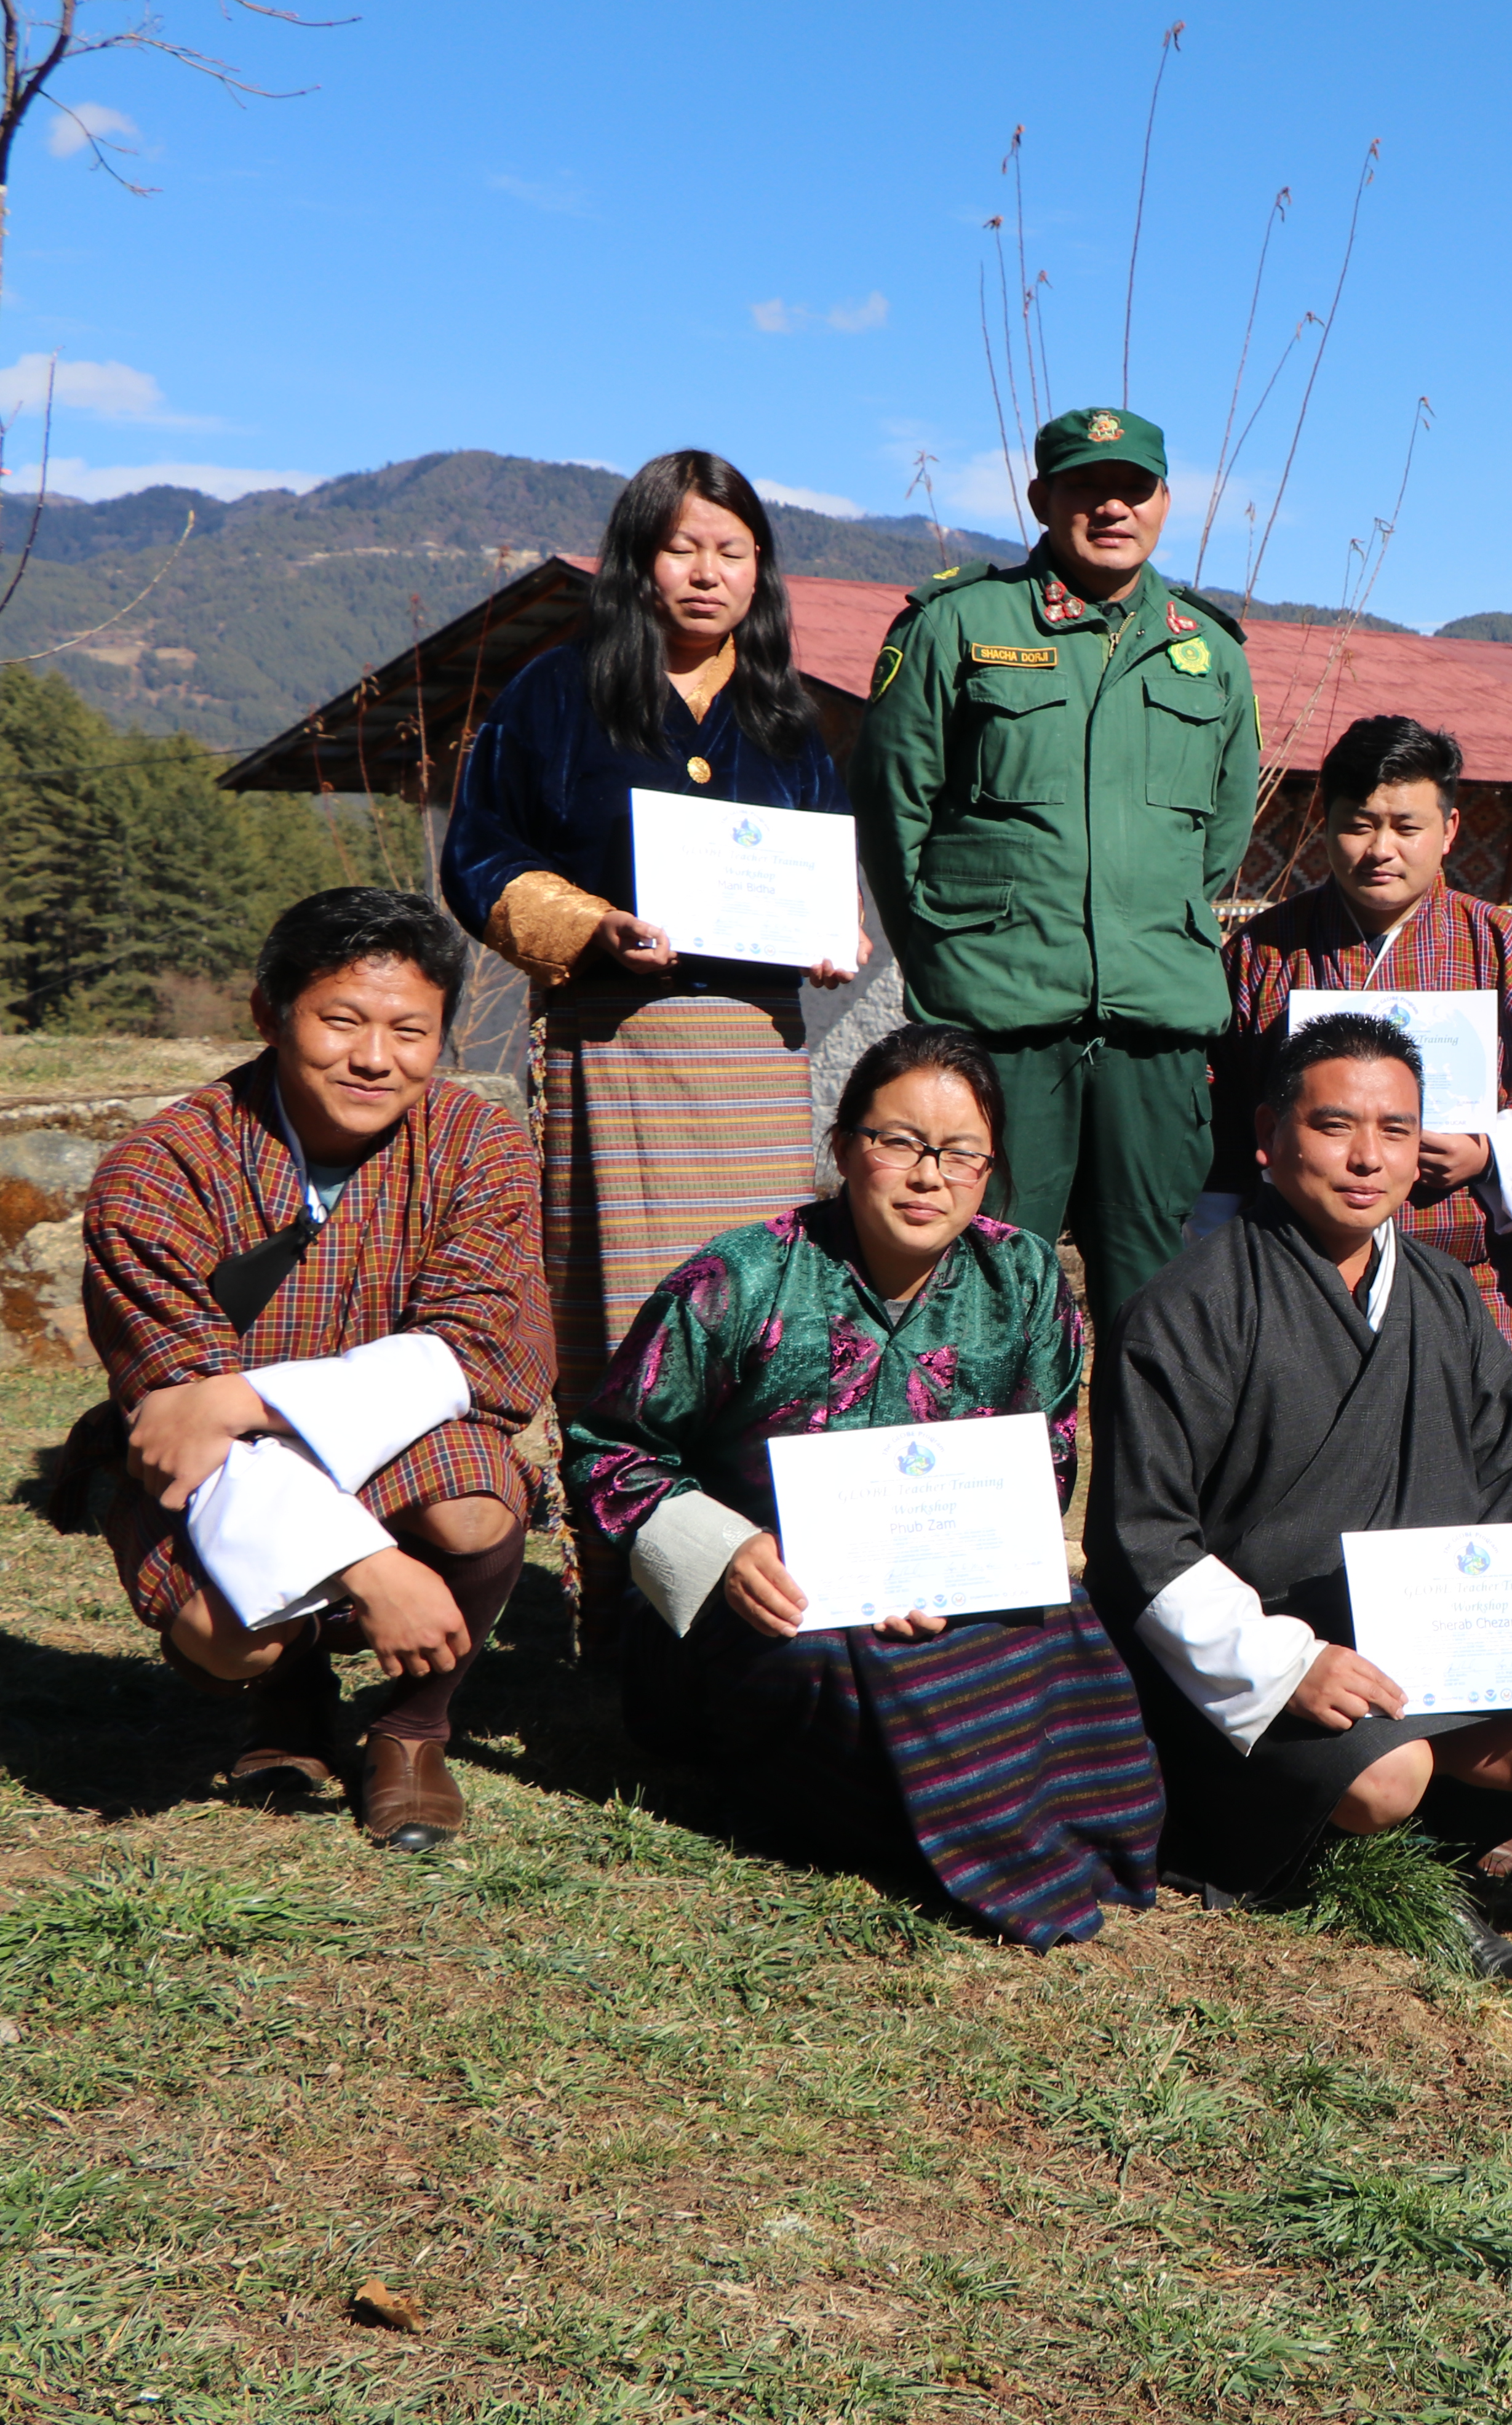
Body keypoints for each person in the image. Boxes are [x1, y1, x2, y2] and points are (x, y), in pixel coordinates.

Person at [567, 1025, 1163, 1949]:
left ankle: (1028, 1828)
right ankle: (954, 1835)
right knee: (836, 1669)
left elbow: (1043, 1459)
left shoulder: (1026, 1277)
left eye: (961, 1154)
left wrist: (955, 1570)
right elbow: (609, 1448)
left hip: (942, 1588)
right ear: (844, 1147)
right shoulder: (738, 1277)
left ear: (989, 1170)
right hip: (767, 1603)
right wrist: (727, 1552)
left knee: (1071, 1628)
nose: (929, 1176)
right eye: (899, 1143)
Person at [1087, 1011, 1512, 1975]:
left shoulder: (1448, 1297)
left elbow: (1508, 1475)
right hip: (1250, 1663)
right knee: (1390, 1773)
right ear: (1268, 1137)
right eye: (1333, 1127)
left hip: (1416, 1644)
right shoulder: (1188, 1305)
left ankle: (1399, 1869)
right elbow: (1142, 1541)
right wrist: (1286, 1664)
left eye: (1395, 1131)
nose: (1368, 1158)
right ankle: (1362, 1878)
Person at [79, 888, 549, 1853]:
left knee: (476, 1506)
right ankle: (288, 1702)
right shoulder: (159, 1171)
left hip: (406, 1440)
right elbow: (182, 1432)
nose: (376, 1058)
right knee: (228, 1635)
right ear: (269, 1013)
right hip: (223, 1475)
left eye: (411, 1030)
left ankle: (412, 1728)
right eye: (341, 1020)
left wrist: (243, 1395)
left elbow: (481, 1350)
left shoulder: (478, 1145)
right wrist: (366, 1564)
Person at [440, 449, 853, 1431]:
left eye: (734, 552)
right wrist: (593, 925)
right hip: (617, 1049)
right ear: (636, 563)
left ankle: (757, 1544)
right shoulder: (556, 695)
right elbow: (481, 854)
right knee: (627, 1311)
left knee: (760, 1305)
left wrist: (834, 934)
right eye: (683, 549)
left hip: (758, 1059)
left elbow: (820, 866)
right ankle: (630, 1549)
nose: (709, 574)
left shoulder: (787, 715)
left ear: (762, 571)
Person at [849, 404, 1264, 1335]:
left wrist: (1141, 930)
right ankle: (993, 1478)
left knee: (1156, 1307)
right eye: (1086, 487)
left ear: (1165, 503)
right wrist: (952, 960)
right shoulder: (957, 625)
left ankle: (1141, 1488)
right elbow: (891, 810)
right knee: (981, 1285)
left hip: (1154, 1028)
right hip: (998, 1021)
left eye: (1134, 490)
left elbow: (1218, 844)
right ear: (1042, 498)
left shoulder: (1212, 653)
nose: (1112, 508)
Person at [1217, 713, 1512, 1356]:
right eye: (1359, 824)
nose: (1381, 849)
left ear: (1448, 831)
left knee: (1468, 1449)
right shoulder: (1264, 950)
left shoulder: (1500, 946)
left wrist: (1489, 1151)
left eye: (1406, 827)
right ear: (1323, 825)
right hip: (1288, 1269)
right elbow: (1220, 1103)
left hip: (1463, 1271)